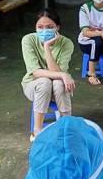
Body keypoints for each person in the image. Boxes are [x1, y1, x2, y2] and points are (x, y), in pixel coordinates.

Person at [21, 10, 75, 138]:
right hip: (33, 86)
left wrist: (47, 48)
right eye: (40, 27)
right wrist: (63, 75)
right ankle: (37, 130)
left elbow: (56, 73)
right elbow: (35, 72)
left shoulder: (66, 43)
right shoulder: (28, 40)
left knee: (58, 83)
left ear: (57, 27)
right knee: (45, 82)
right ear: (35, 28)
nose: (44, 30)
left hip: (59, 87)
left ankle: (67, 125)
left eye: (50, 27)